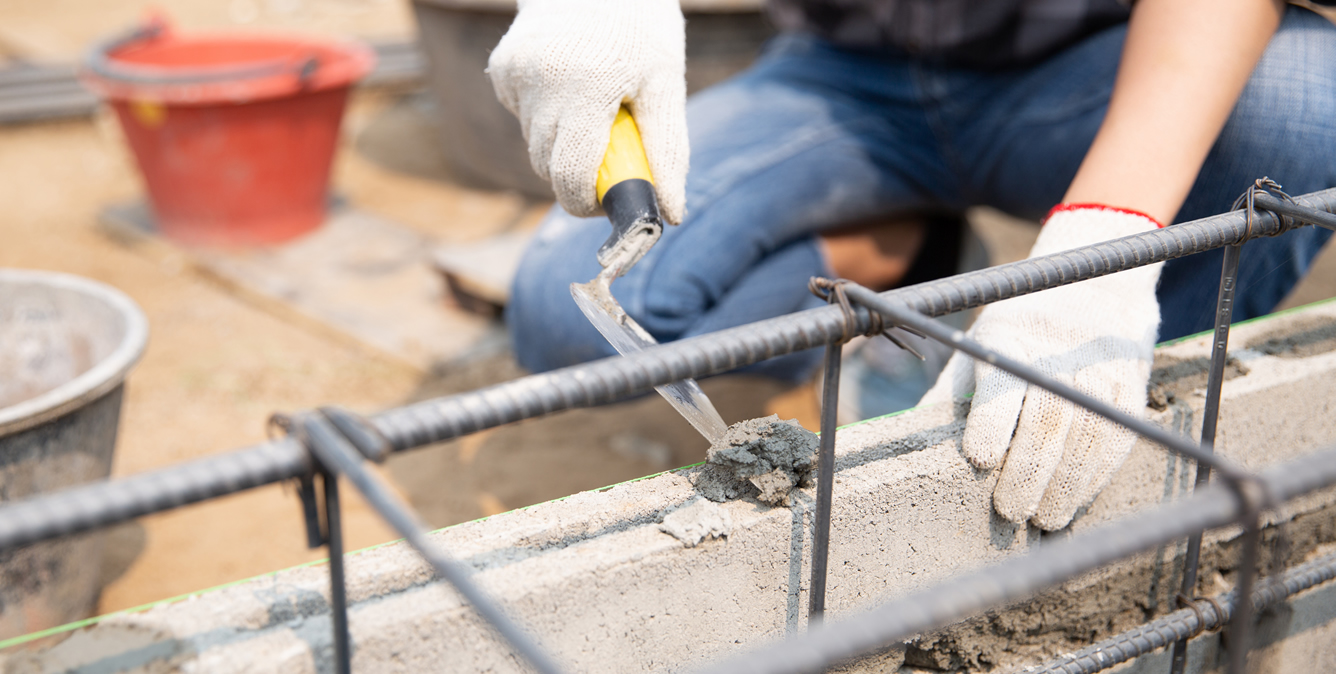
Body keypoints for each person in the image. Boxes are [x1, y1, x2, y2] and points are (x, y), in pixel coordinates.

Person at [486, 0, 1336, 530]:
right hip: (842, 77)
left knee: (1308, 101)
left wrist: (1104, 241)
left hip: (1087, 65)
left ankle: (1098, 434)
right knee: (564, 317)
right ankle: (910, 256)